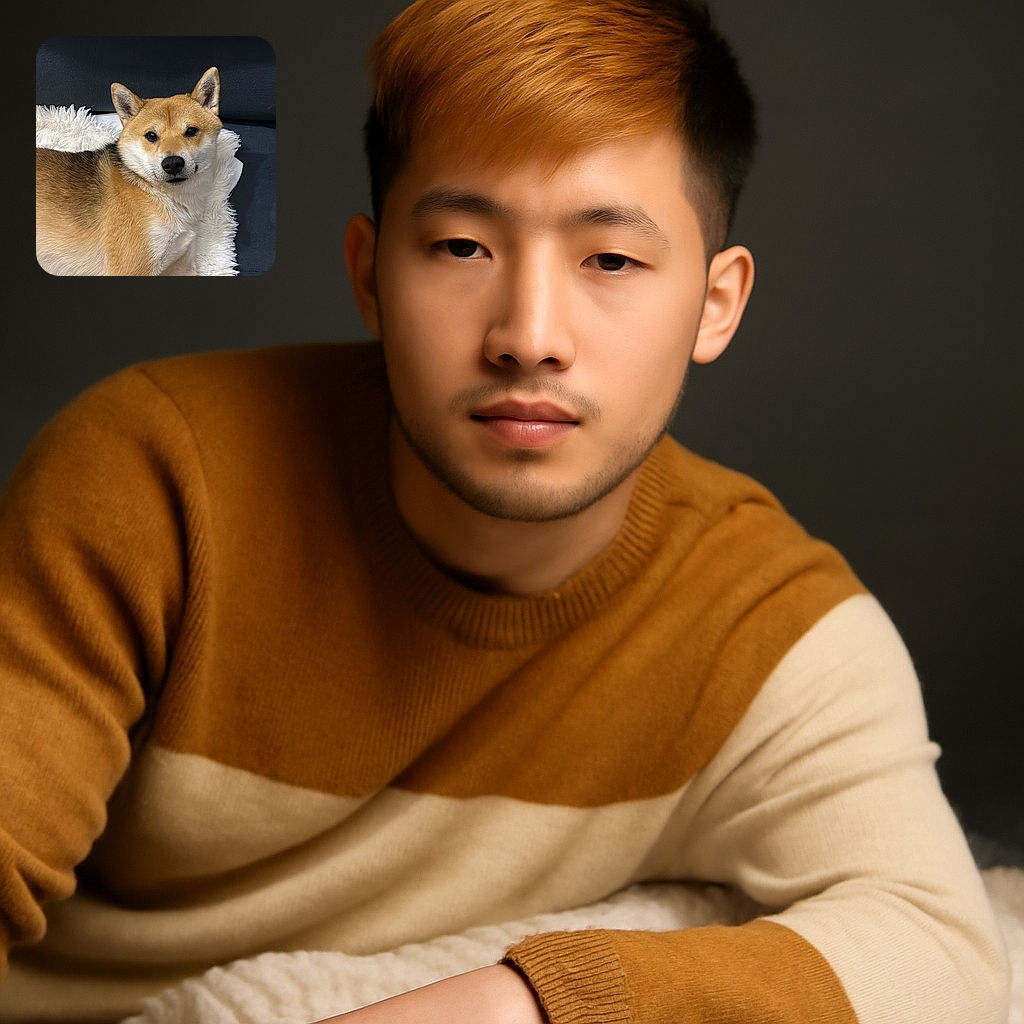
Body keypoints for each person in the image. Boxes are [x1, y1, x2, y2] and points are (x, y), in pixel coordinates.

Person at [0, 0, 1009, 1021]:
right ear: (368, 275)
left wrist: (521, 1006)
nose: (529, 335)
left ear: (715, 303)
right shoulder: (156, 480)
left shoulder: (769, 627)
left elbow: (945, 949)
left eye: (609, 259)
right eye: (460, 248)